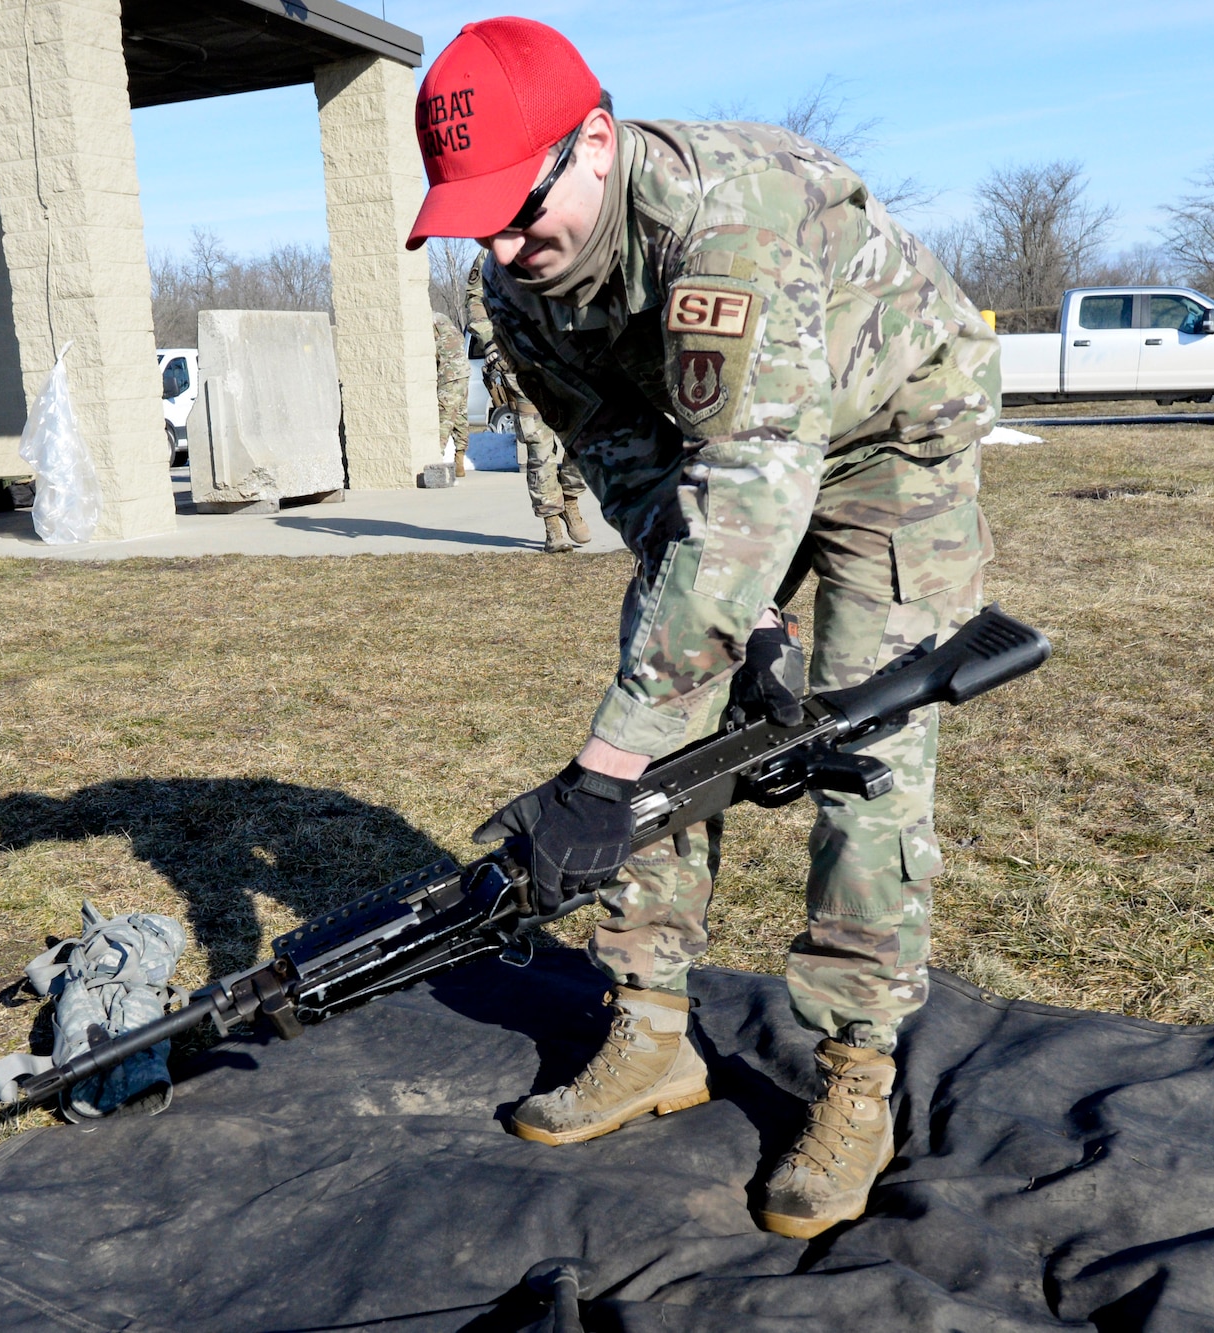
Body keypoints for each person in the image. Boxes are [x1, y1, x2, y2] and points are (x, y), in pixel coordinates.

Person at [407, 19, 1000, 1239]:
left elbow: (748, 495)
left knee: (862, 752)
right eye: (480, 221)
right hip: (730, 464)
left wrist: (596, 767)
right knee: (669, 731)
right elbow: (629, 464)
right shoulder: (509, 284)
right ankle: (651, 1031)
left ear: (596, 144)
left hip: (890, 444)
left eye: (524, 209)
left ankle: (853, 1071)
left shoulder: (727, 220)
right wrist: (725, 646)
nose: (510, 247)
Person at [466, 250, 590, 553]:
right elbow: (475, 300)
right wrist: (491, 343)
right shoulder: (490, 254)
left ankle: (570, 497)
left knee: (586, 435)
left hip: (568, 356)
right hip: (518, 359)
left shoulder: (552, 234)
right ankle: (552, 525)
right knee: (539, 445)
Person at [433, 308, 471, 477]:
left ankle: (436, 462)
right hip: (463, 371)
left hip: (448, 375)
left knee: (445, 419)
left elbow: (428, 351)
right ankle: (459, 461)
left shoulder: (428, 322)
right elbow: (460, 340)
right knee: (461, 417)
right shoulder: (442, 318)